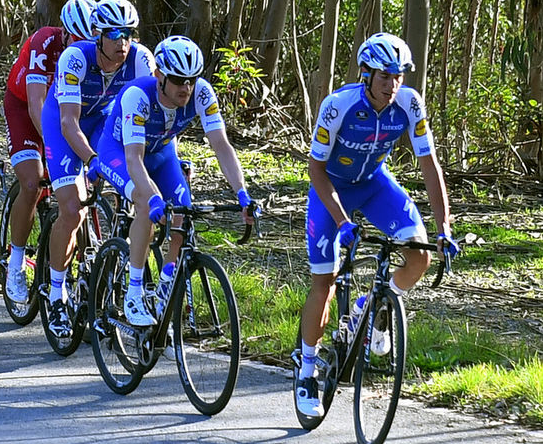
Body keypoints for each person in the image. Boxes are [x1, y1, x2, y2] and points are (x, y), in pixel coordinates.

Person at [293, 32, 458, 418]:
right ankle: (306, 370)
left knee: (418, 256)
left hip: (374, 185)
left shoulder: (409, 104)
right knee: (324, 284)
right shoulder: (338, 106)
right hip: (331, 191)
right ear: (365, 74)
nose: (392, 84)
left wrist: (443, 227)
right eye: (385, 76)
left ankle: (372, 306)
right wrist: (342, 221)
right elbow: (315, 169)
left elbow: (429, 165)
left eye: (398, 75)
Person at [95, 35, 254, 328]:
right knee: (145, 203)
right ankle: (133, 292)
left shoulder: (201, 94)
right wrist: (154, 197)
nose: (186, 88)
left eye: (192, 79)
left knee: (184, 212)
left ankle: (167, 280)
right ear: (159, 76)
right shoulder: (137, 96)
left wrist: (242, 193)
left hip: (161, 154)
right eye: (179, 80)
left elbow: (221, 146)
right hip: (118, 152)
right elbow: (133, 159)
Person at [34, 0, 157, 335]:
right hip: (66, 125)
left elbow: (148, 117)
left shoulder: (140, 60)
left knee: (134, 189)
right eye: (114, 33)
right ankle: (56, 290)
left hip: (105, 124)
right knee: (72, 209)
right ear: (97, 35)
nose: (122, 42)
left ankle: (112, 282)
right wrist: (91, 162)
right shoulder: (75, 58)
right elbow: (69, 124)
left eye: (129, 33)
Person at [0, 0, 97, 308]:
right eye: (77, 41)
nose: (82, 48)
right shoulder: (45, 42)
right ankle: (15, 261)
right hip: (25, 108)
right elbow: (36, 104)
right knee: (33, 180)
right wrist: (58, 149)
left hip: (65, 113)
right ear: (65, 34)